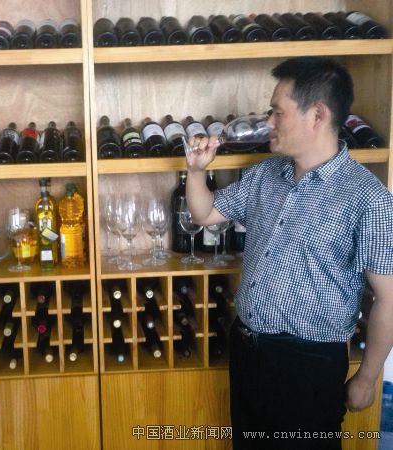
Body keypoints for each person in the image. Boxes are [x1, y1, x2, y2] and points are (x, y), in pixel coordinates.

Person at [184, 56, 393, 450]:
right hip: (247, 350)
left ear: (317, 115)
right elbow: (205, 213)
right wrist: (196, 171)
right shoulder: (265, 174)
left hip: (308, 365)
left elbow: (389, 299)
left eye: (277, 112)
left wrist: (367, 378)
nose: (269, 122)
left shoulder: (369, 198)